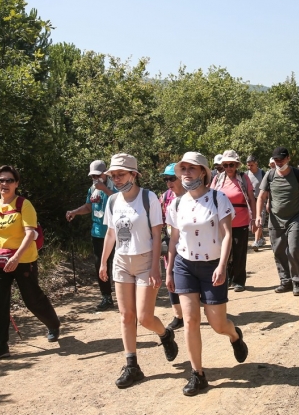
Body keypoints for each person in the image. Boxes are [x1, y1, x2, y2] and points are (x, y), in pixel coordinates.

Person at [165, 152, 248, 396]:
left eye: (192, 168)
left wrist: (223, 266)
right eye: (184, 169)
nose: (187, 173)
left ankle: (234, 335)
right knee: (190, 321)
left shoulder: (218, 198)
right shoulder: (177, 203)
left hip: (212, 265)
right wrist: (169, 270)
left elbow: (227, 235)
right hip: (184, 265)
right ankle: (198, 375)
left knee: (217, 324)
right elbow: (173, 239)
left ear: (203, 172)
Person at [99, 153, 179, 389]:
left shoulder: (148, 198)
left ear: (134, 174)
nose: (117, 179)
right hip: (122, 261)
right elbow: (111, 233)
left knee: (144, 318)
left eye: (121, 174)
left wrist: (155, 267)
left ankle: (165, 334)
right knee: (126, 317)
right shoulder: (113, 201)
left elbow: (157, 234)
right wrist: (103, 262)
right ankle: (132, 365)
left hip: (145, 261)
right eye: (113, 176)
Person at [0, 165, 61, 363]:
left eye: (9, 180)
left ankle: (53, 323)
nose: (5, 184)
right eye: (1, 180)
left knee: (32, 300)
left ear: (16, 183)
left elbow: (30, 234)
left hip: (23, 260)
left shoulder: (23, 205)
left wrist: (16, 257)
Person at [256, 147, 299, 296]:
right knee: (278, 251)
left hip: (295, 218)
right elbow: (261, 197)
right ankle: (285, 281)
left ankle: (297, 281)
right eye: (276, 160)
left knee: (293, 249)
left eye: (281, 159)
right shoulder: (270, 175)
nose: (279, 162)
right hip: (275, 219)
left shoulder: (298, 175)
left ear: (288, 158)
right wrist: (258, 216)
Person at [66, 160, 117, 311]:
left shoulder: (114, 185)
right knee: (100, 265)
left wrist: (104, 189)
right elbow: (89, 207)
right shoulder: (92, 189)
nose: (94, 178)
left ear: (104, 173)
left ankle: (127, 294)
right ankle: (106, 297)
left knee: (117, 264)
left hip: (115, 232)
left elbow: (120, 200)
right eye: (92, 176)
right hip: (97, 232)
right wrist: (74, 212)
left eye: (97, 175)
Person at [212, 150, 256, 293]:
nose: (229, 168)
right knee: (225, 252)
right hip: (222, 222)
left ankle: (239, 280)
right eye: (226, 165)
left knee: (239, 252)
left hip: (241, 220)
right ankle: (227, 277)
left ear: (236, 165)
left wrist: (254, 218)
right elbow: (211, 198)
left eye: (231, 164)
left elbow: (251, 199)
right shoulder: (218, 179)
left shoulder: (243, 178)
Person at [159, 163, 185, 330]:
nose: (168, 182)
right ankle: (178, 315)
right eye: (166, 179)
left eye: (172, 178)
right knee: (171, 278)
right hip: (171, 241)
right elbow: (159, 219)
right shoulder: (165, 197)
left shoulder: (193, 195)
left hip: (190, 244)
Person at [245, 155, 266, 250]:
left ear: (256, 163)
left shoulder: (262, 173)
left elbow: (267, 188)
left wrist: (268, 200)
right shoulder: (245, 175)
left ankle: (256, 241)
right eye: (248, 165)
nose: (250, 167)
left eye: (251, 165)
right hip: (250, 201)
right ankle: (261, 238)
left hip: (260, 200)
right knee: (252, 222)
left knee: (259, 219)